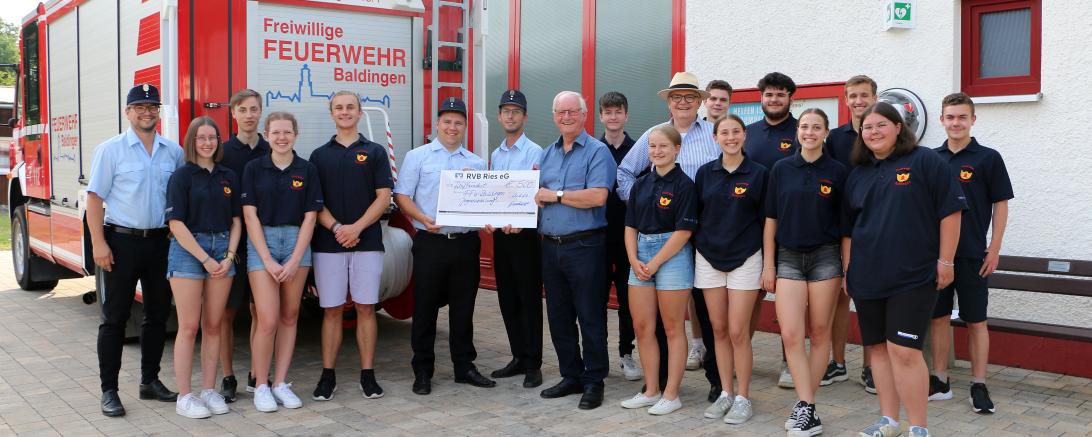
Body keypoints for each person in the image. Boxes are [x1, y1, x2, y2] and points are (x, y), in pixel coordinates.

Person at [844, 102, 965, 437]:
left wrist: (946, 260)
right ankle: (889, 420)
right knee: (878, 351)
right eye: (867, 127)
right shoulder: (858, 174)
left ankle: (918, 427)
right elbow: (849, 230)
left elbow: (951, 213)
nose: (873, 132)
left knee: (904, 350)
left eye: (881, 124)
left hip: (913, 276)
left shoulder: (925, 161)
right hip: (867, 276)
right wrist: (848, 270)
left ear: (899, 127)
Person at [617, 72, 722, 403]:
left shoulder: (713, 135)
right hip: (655, 232)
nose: (683, 102)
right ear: (668, 101)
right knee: (652, 323)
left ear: (700, 101)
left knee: (705, 314)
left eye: (690, 96)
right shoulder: (653, 135)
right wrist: (643, 200)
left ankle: (718, 382)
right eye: (677, 96)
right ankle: (655, 385)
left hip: (702, 233)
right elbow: (624, 172)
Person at [88, 83, 183, 417]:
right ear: (128, 112)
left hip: (160, 243)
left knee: (158, 315)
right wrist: (99, 243)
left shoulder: (174, 151)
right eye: (140, 107)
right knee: (115, 318)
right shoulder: (111, 150)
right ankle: (109, 391)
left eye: (152, 106)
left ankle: (149, 381)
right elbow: (95, 199)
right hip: (121, 243)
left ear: (159, 111)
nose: (147, 112)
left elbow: (179, 198)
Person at [394, 98, 494, 395]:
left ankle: (464, 366)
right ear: (437, 125)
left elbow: (483, 204)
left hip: (465, 243)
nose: (452, 127)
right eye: (447, 122)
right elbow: (402, 196)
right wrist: (421, 217)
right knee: (424, 308)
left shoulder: (476, 163)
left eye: (458, 122)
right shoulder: (418, 157)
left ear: (465, 127)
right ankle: (423, 370)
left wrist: (490, 218)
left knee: (463, 309)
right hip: (430, 243)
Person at [762, 108, 848, 435]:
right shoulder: (781, 169)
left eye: (816, 127)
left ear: (826, 132)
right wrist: (769, 264)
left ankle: (806, 406)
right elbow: (771, 220)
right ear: (797, 132)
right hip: (788, 258)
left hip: (826, 257)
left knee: (821, 330)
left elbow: (845, 228)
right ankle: (807, 404)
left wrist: (847, 265)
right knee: (791, 334)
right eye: (804, 127)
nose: (809, 132)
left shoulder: (838, 172)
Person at [928, 93, 1013, 414]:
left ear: (973, 120)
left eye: (962, 117)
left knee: (976, 321)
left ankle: (979, 384)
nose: (956, 123)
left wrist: (995, 248)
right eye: (950, 117)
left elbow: (1001, 204)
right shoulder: (932, 159)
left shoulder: (988, 158)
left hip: (974, 255)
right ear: (942, 120)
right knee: (938, 319)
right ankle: (940, 381)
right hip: (938, 257)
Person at [309, 91, 394, 401]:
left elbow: (383, 196)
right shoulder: (319, 156)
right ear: (331, 113)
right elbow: (315, 203)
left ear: (360, 113)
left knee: (365, 308)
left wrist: (356, 228)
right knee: (331, 311)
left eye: (350, 107)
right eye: (339, 108)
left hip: (367, 242)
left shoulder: (375, 152)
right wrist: (336, 228)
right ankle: (327, 376)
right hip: (328, 245)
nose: (344, 112)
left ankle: (368, 375)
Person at [536, 91, 616, 410]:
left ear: (584, 115)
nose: (566, 116)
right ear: (554, 116)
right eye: (560, 112)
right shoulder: (546, 154)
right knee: (559, 316)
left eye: (573, 111)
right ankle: (571, 375)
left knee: (590, 315)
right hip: (550, 247)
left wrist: (556, 195)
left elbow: (597, 197)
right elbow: (533, 196)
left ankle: (594, 380)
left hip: (586, 246)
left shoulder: (598, 152)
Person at [241, 111, 324, 412]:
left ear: (295, 135)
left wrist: (294, 259)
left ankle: (280, 383)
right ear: (267, 134)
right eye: (275, 132)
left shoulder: (307, 169)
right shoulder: (253, 168)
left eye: (287, 132)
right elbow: (249, 215)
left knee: (290, 316)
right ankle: (261, 384)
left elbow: (311, 217)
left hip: (296, 243)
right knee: (268, 319)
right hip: (261, 243)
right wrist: (266, 259)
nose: (281, 137)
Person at [617, 125, 697, 416]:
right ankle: (651, 390)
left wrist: (655, 262)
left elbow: (684, 232)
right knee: (642, 327)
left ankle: (672, 394)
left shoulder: (685, 185)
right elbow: (630, 227)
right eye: (652, 146)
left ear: (677, 149)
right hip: (640, 254)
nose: (657, 151)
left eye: (663, 146)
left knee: (673, 327)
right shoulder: (640, 184)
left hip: (672, 255)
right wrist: (634, 259)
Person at [693, 114, 768, 425]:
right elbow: (697, 216)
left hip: (746, 259)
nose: (730, 137)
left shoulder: (759, 173)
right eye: (724, 132)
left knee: (738, 331)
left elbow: (767, 223)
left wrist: (769, 264)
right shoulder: (704, 173)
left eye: (736, 132)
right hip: (708, 259)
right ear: (715, 138)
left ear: (744, 136)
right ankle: (725, 392)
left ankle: (743, 397)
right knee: (719, 330)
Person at [164, 117, 241, 418]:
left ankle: (209, 390)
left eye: (213, 137)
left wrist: (229, 255)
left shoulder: (228, 176)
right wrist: (205, 259)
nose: (207, 142)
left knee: (213, 325)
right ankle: (185, 396)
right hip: (187, 252)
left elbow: (236, 221)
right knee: (189, 327)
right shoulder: (181, 177)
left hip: (223, 251)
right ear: (191, 142)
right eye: (201, 138)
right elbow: (175, 223)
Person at [822, 75, 878, 393]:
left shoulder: (885, 131)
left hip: (875, 229)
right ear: (846, 100)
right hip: (841, 229)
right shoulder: (836, 139)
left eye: (864, 95)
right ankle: (838, 363)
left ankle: (870, 368)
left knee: (870, 301)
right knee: (841, 299)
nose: (858, 101)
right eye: (853, 96)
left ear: (875, 97)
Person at [486, 89, 545, 389]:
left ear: (524, 117)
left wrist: (523, 221)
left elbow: (536, 195)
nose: (510, 116)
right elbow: (495, 194)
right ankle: (518, 356)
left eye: (516, 111)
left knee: (529, 299)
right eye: (505, 111)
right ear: (499, 116)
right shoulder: (496, 154)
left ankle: (534, 363)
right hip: (501, 237)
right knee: (507, 298)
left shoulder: (535, 152)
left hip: (525, 236)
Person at [744, 71, 799, 388]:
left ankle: (789, 363)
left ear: (791, 97)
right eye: (769, 94)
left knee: (789, 301)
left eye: (780, 94)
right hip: (751, 229)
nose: (774, 99)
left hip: (789, 228)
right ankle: (742, 355)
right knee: (750, 297)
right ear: (761, 97)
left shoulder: (802, 131)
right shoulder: (748, 134)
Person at [217, 89, 271, 400]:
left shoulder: (271, 149)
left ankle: (256, 373)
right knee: (226, 313)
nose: (249, 114)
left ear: (260, 112)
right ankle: (227, 377)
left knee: (260, 312)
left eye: (254, 108)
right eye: (243, 109)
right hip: (232, 245)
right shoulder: (223, 152)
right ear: (233, 114)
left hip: (263, 243)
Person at [598, 91, 641, 381]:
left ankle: (626, 352)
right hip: (597, 238)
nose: (613, 117)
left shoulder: (639, 149)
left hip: (629, 238)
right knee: (596, 299)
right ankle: (598, 354)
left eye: (618, 112)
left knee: (629, 302)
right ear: (601, 116)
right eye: (608, 112)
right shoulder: (591, 149)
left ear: (626, 115)